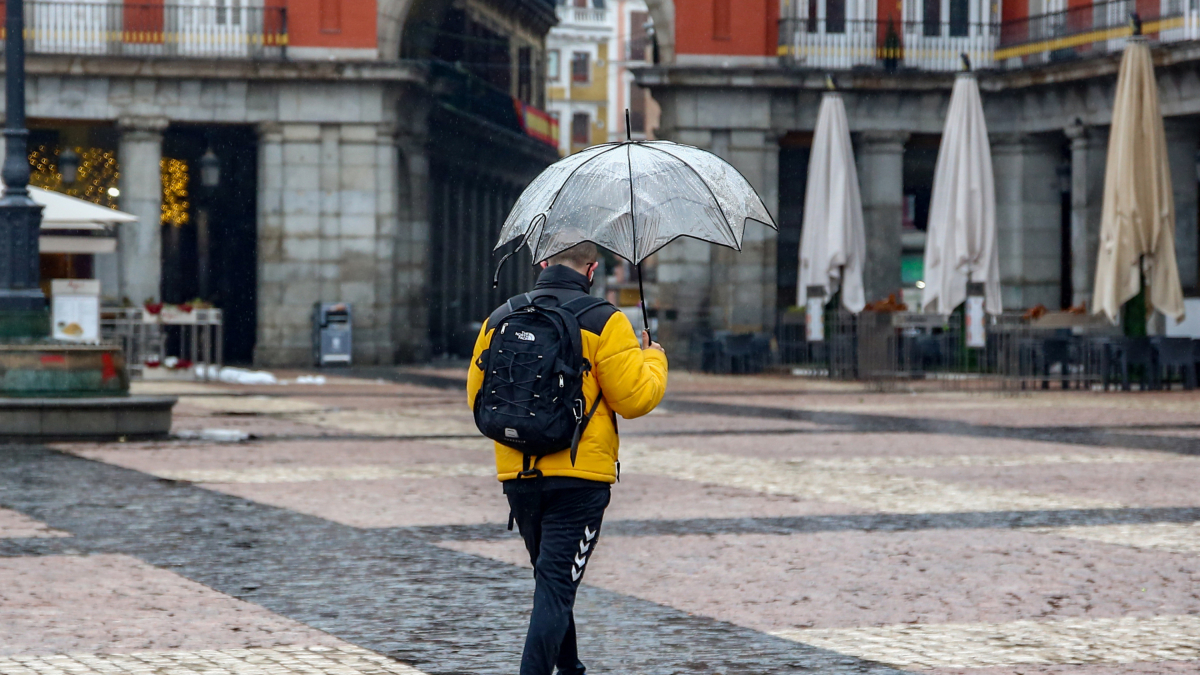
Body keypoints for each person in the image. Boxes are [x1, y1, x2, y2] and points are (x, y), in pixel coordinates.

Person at [467, 242, 668, 675]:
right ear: (592, 269)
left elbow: (477, 397)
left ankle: (570, 669)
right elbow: (634, 399)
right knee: (556, 587)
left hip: (518, 475)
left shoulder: (501, 317)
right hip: (579, 480)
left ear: (542, 262)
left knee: (552, 582)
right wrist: (654, 358)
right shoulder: (603, 320)